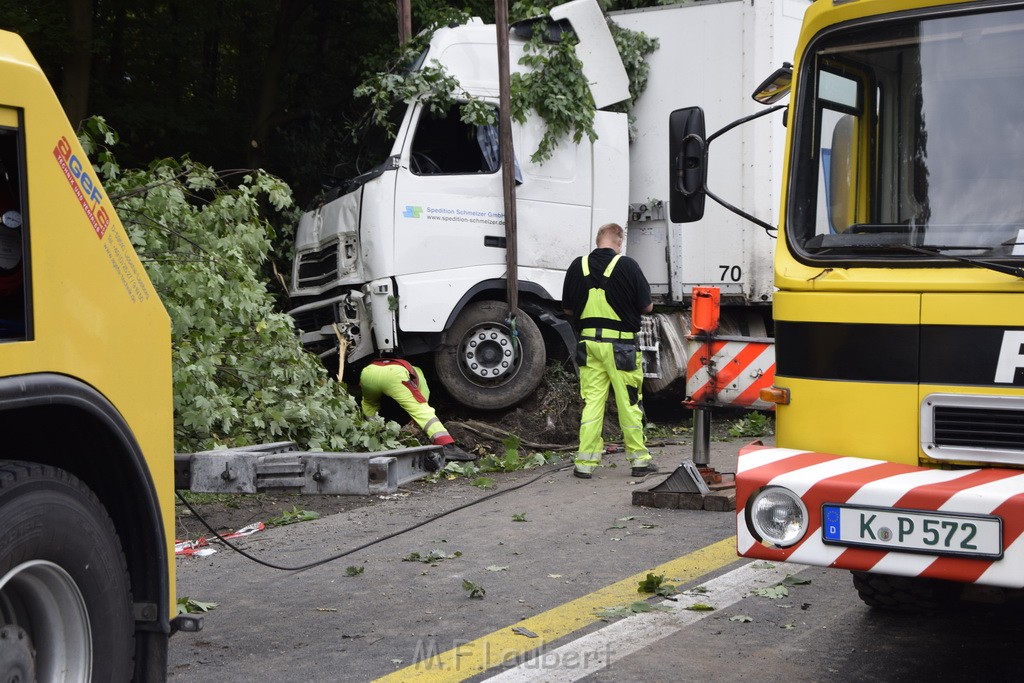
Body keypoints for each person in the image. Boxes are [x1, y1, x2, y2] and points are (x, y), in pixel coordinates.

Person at [562, 223, 655, 479]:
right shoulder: (627, 266)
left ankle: (584, 463)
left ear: (597, 241)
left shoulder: (577, 266)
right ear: (619, 241)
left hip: (588, 346)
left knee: (592, 403)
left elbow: (568, 310)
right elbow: (647, 307)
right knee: (628, 403)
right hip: (621, 348)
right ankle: (639, 461)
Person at [359, 357, 476, 470]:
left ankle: (373, 437)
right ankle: (446, 444)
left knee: (369, 405)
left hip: (368, 372)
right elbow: (422, 400)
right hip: (394, 374)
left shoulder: (397, 365)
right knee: (421, 409)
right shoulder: (418, 372)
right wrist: (414, 423)